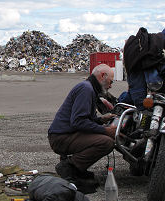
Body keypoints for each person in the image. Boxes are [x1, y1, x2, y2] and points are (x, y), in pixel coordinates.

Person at [48, 64, 117, 192]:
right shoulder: (86, 89)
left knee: (103, 137)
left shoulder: (89, 88)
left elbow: (82, 119)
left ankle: (77, 169)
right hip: (61, 137)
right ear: (102, 76)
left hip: (64, 134)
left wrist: (101, 120)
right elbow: (78, 122)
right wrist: (105, 130)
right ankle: (69, 168)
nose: (110, 86)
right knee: (106, 142)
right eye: (110, 81)